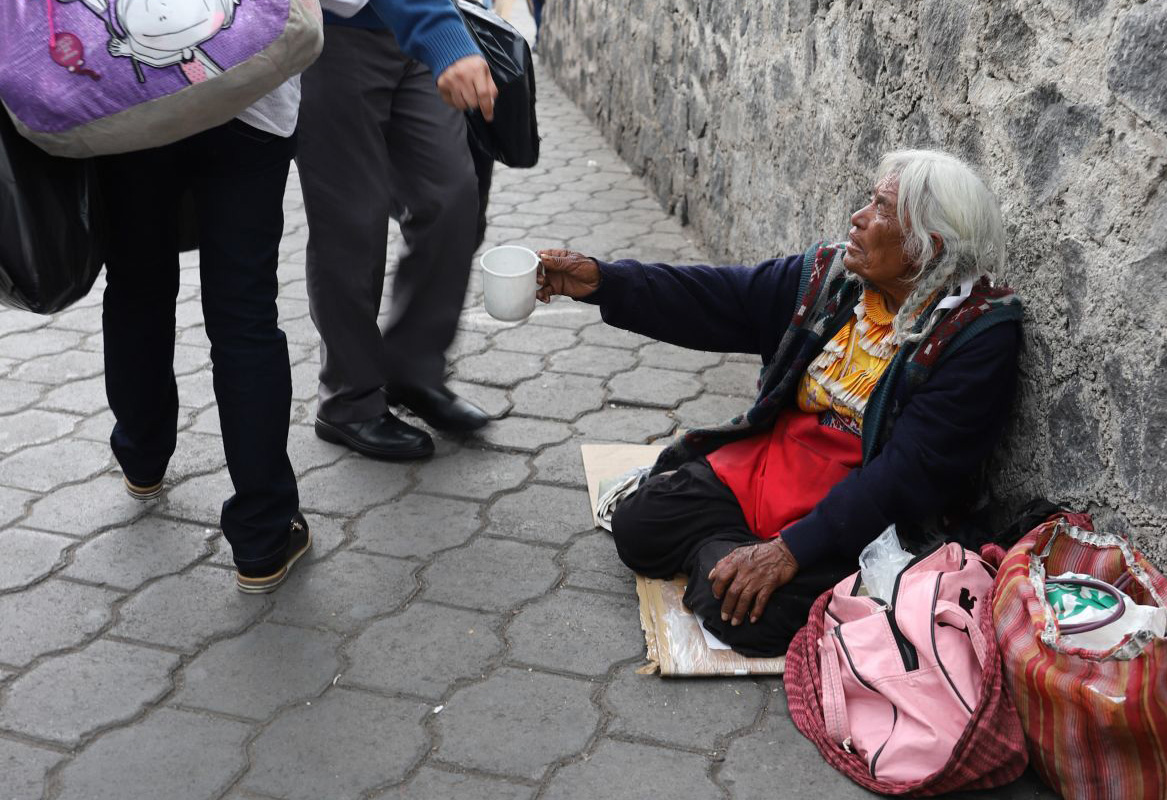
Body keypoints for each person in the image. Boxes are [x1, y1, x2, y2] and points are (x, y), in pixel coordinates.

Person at [536, 150, 1024, 656]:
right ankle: (731, 553)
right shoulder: (834, 277)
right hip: (772, 464)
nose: (858, 218)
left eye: (879, 208)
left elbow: (908, 474)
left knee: (742, 614)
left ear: (927, 247)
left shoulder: (977, 335)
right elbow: (722, 298)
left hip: (857, 510)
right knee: (640, 525)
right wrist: (603, 281)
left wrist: (792, 550)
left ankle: (733, 559)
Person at [97, 78, 308, 593]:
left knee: (135, 285)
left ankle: (142, 459)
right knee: (244, 315)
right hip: (247, 93)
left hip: (133, 94)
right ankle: (262, 539)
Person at [296, 0, 499, 461]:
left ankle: (412, 371)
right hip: (334, 33)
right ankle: (349, 400)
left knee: (451, 199)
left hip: (422, 31)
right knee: (351, 222)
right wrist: (443, 34)